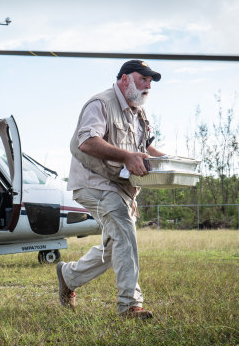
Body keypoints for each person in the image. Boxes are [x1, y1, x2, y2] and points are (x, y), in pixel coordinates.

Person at [57, 60, 165, 319]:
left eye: (151, 81)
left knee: (115, 244)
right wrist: (127, 156)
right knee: (124, 233)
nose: (148, 85)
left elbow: (145, 148)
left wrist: (172, 163)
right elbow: (87, 142)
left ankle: (68, 276)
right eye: (143, 79)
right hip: (93, 183)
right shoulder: (101, 103)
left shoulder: (138, 112)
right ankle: (129, 304)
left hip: (120, 187)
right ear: (125, 79)